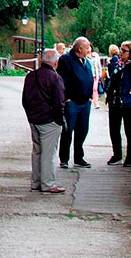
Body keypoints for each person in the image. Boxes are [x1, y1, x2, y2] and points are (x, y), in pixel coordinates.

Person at [22, 47, 66, 194]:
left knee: (37, 152)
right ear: (55, 63)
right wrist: (59, 120)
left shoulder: (31, 76)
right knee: (48, 154)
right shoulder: (55, 78)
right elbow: (59, 102)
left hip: (34, 119)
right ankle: (48, 183)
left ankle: (35, 182)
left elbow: (25, 99)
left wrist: (30, 116)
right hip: (49, 121)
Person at [106, 40, 131, 166]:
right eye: (120, 49)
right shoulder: (117, 66)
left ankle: (130, 158)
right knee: (114, 129)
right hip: (115, 101)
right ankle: (117, 155)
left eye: (124, 50)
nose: (121, 52)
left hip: (128, 102)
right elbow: (112, 81)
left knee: (129, 130)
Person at [57, 37, 95, 169]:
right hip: (72, 102)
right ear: (79, 49)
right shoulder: (66, 59)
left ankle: (79, 157)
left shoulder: (86, 61)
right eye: (87, 47)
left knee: (83, 130)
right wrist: (66, 98)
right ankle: (64, 159)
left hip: (85, 101)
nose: (89, 50)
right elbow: (61, 80)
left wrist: (90, 96)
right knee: (68, 131)